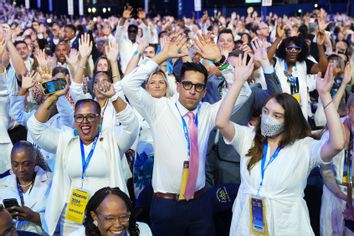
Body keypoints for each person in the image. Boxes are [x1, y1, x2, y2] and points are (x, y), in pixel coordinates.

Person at [122, 33, 251, 236]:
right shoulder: (159, 108)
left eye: (199, 86)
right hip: (166, 204)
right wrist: (161, 56)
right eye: (188, 85)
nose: (192, 91)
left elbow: (243, 93)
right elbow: (128, 84)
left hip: (199, 203)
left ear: (203, 90)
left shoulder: (208, 112)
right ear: (178, 86)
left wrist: (220, 60)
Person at [215, 60, 345, 235]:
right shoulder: (249, 137)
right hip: (247, 223)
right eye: (266, 112)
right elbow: (221, 122)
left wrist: (325, 94)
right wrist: (238, 82)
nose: (268, 118)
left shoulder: (304, 148)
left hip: (287, 225)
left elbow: (337, 144)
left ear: (289, 121)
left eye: (277, 115)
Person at [27, 79, 139, 234]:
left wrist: (114, 96)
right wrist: (53, 98)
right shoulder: (65, 140)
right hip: (72, 214)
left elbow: (132, 125)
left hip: (105, 215)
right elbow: (35, 127)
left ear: (99, 118)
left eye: (90, 117)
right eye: (79, 117)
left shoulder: (112, 139)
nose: (84, 122)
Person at [0, 141, 52, 235]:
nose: (21, 169)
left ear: (35, 162)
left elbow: (61, 220)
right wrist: (5, 216)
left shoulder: (52, 182)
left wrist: (34, 217)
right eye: (15, 164)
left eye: (26, 164)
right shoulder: (1, 184)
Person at [69, 187, 152, 236]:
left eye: (123, 217)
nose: (118, 224)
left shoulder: (143, 231)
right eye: (110, 218)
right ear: (94, 216)